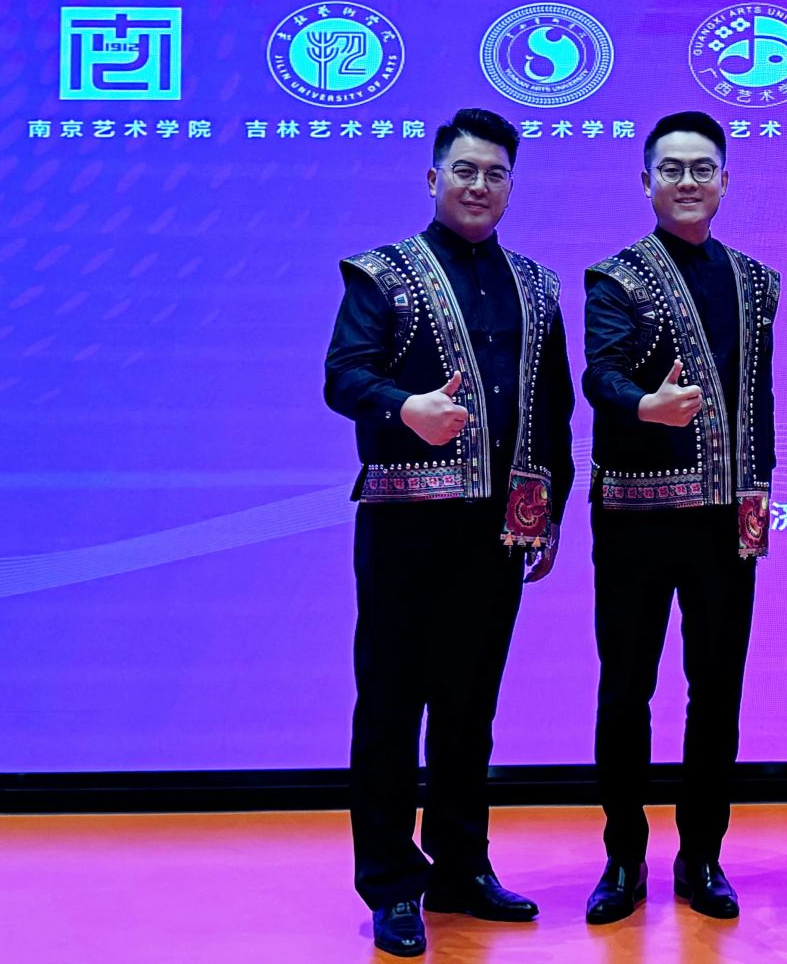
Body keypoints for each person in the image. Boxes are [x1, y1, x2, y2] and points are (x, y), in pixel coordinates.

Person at [323, 107, 574, 959]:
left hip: (494, 534)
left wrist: (548, 510)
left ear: (511, 187)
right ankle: (393, 884)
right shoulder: (382, 274)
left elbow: (553, 409)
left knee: (470, 708)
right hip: (404, 524)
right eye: (464, 170)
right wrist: (406, 408)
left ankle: (463, 867)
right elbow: (343, 377)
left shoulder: (537, 286)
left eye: (495, 173)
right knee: (391, 708)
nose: (478, 185)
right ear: (434, 179)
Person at [579, 111, 778, 925]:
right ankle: (624, 856)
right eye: (672, 169)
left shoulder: (756, 281)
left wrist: (758, 491)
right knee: (626, 691)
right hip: (636, 517)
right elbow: (599, 375)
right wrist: (643, 406)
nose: (688, 181)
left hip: (725, 521)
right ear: (646, 182)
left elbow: (759, 400)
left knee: (717, 693)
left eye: (702, 168)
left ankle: (702, 855)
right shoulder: (615, 278)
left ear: (725, 180)